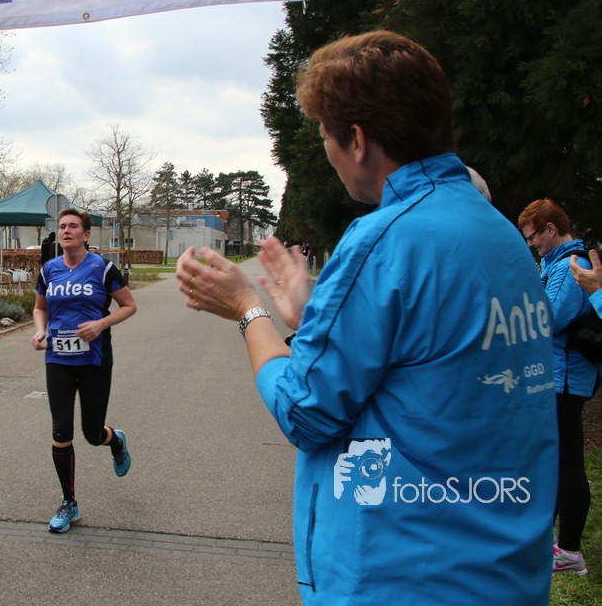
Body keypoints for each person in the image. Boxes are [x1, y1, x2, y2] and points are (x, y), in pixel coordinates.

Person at [175, 31, 557, 604]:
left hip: (406, 576)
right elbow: (432, 366)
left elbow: (305, 412)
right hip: (504, 571)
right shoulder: (499, 232)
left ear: (356, 140)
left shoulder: (385, 239)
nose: (328, 156)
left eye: (326, 137)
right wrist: (313, 317)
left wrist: (247, 308)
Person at [31, 208, 136, 533]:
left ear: (86, 234)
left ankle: (115, 442)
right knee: (61, 431)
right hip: (58, 359)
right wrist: (40, 330)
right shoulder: (49, 270)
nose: (66, 231)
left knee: (92, 434)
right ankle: (69, 503)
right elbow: (39, 307)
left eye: (73, 226)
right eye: (62, 226)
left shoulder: (103, 268)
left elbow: (129, 306)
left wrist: (101, 324)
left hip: (94, 361)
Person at [518, 198, 599, 576]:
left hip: (564, 379)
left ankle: (569, 552)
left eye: (533, 236)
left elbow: (547, 320)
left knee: (567, 463)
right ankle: (550, 543)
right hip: (556, 377)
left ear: (551, 229)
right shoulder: (554, 264)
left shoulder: (570, 265)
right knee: (553, 461)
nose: (531, 244)